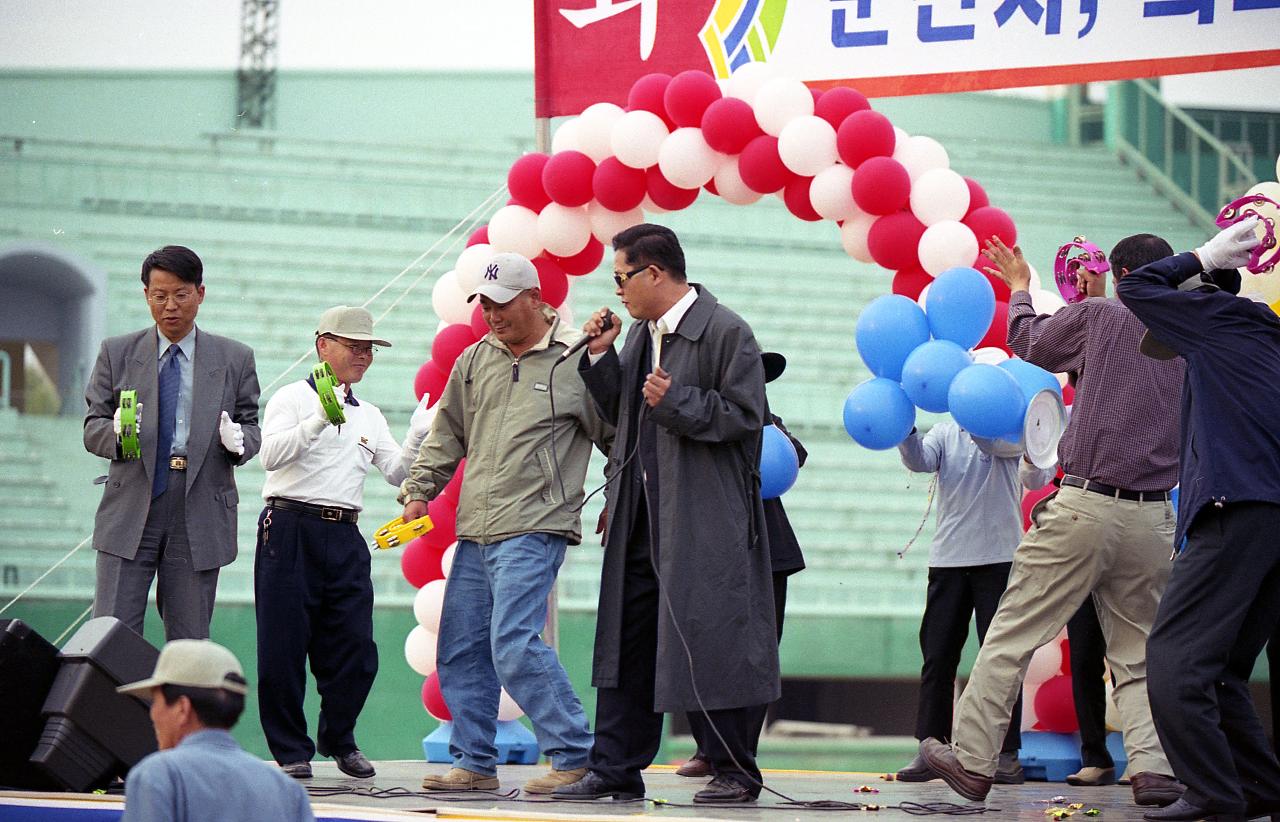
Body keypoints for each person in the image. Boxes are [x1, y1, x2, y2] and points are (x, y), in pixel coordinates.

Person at [920, 234, 1185, 808]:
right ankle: (1154, 769)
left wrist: (1020, 288)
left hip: (1087, 502)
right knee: (1138, 654)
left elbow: (1027, 343)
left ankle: (972, 760)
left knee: (1010, 633)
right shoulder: (1191, 334)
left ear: (1117, 273)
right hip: (1154, 516)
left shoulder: (1099, 314)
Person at [552, 223, 778, 804]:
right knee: (626, 640)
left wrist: (676, 401)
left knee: (714, 638)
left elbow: (746, 418)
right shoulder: (640, 336)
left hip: (702, 519)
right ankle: (614, 766)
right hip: (639, 515)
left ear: (655, 273)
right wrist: (601, 359)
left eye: (623, 277)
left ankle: (734, 769)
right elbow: (624, 416)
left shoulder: (727, 332)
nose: (618, 290)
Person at [401, 253, 612, 795]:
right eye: (485, 305)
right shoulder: (474, 360)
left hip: (536, 525)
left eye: (502, 304)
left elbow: (617, 438)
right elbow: (446, 433)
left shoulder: (575, 362)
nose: (492, 315)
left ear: (536, 300)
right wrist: (419, 491)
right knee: (461, 645)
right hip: (476, 528)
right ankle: (473, 762)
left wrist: (615, 496)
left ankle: (574, 755)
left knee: (514, 642)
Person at [1116, 217, 1280, 822]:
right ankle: (1260, 788)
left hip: (1234, 509)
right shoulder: (1262, 338)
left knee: (1175, 666)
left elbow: (1136, 288)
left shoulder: (1215, 321)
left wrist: (1203, 256)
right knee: (1225, 669)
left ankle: (1214, 794)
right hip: (1270, 519)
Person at [256, 305, 433, 780]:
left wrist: (417, 437)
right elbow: (268, 457)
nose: (363, 356)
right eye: (353, 347)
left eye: (367, 348)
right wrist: (317, 419)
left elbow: (396, 472)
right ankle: (292, 750)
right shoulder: (291, 399)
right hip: (290, 526)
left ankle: (340, 738)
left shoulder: (369, 415)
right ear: (323, 346)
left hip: (344, 531)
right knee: (284, 646)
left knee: (356, 647)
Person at [84, 245, 260, 641]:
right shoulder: (117, 353)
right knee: (111, 632)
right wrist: (113, 433)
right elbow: (91, 425)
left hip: (197, 506)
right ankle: (112, 706)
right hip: (132, 502)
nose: (170, 306)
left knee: (189, 637)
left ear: (200, 293)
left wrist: (238, 442)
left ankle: (181, 703)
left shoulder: (235, 357)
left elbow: (251, 427)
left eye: (181, 294)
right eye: (159, 296)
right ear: (145, 294)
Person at [893, 422, 1053, 784]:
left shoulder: (1010, 430)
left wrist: (1029, 444)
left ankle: (1006, 754)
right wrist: (904, 431)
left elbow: (1036, 477)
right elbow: (919, 460)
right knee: (938, 656)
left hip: (999, 556)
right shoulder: (945, 432)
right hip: (949, 558)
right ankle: (930, 747)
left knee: (1001, 657)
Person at [677, 352, 806, 780]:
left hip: (770, 553)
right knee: (702, 648)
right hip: (711, 549)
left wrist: (765, 426)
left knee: (758, 657)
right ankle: (708, 748)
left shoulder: (770, 423)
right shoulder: (702, 417)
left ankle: (738, 754)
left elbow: (794, 457)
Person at [117, 639, 313, 822]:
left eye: (155, 702)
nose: (153, 714)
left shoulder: (157, 775)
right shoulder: (289, 791)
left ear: (182, 708)